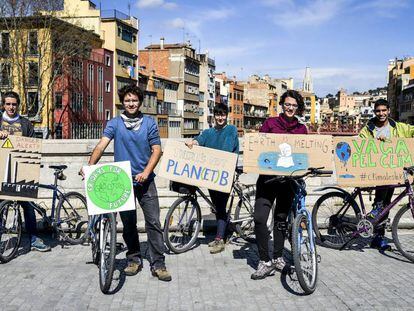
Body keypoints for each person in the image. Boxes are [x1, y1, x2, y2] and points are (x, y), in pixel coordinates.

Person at [81, 84, 171, 281]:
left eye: (134, 100)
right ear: (123, 102)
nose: (131, 103)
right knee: (128, 223)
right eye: (127, 100)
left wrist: (146, 172)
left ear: (140, 102)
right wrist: (89, 165)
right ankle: (134, 259)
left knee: (153, 222)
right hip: (122, 180)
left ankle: (158, 263)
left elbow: (156, 150)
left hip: (146, 180)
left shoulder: (149, 123)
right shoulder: (114, 123)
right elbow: (101, 145)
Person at [251, 90, 307, 280]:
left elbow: (305, 155)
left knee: (281, 220)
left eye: (294, 105)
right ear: (282, 105)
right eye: (288, 104)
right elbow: (258, 147)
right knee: (259, 218)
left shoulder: (302, 130)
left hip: (288, 182)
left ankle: (277, 257)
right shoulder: (270, 123)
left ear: (298, 108)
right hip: (267, 180)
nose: (290, 108)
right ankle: (264, 260)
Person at [359, 98, 414, 250]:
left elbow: (412, 131)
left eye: (384, 110)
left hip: (394, 171)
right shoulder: (367, 129)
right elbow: (360, 145)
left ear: (389, 111)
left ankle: (378, 232)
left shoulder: (399, 127)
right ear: (374, 112)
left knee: (387, 205)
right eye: (378, 111)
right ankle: (378, 234)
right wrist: (375, 142)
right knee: (381, 203)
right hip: (376, 172)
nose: (381, 113)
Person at [185, 103, 239, 254]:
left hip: (225, 173)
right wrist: (193, 143)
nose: (220, 117)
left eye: (223, 115)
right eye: (218, 114)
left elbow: (229, 148)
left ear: (226, 116)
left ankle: (219, 239)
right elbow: (200, 139)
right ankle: (223, 231)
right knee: (216, 206)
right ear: (214, 116)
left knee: (220, 206)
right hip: (212, 174)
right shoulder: (209, 132)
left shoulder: (231, 130)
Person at [0, 91, 50, 252]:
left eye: (14, 104)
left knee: (27, 206)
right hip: (1, 170)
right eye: (8, 104)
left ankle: (34, 239)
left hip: (21, 169)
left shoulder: (26, 123)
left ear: (18, 105)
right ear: (3, 105)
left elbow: (33, 144)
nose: (11, 107)